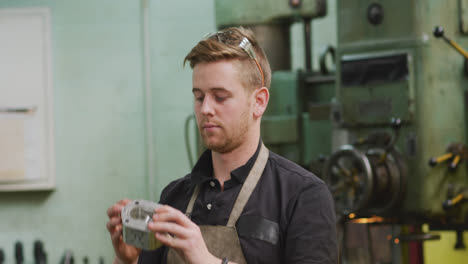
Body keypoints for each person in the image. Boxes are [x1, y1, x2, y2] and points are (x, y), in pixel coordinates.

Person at [106, 27, 338, 264]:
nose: (205, 109)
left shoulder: (303, 196)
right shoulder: (174, 197)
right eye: (199, 97)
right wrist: (128, 261)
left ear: (259, 102)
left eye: (220, 97)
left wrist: (205, 259)